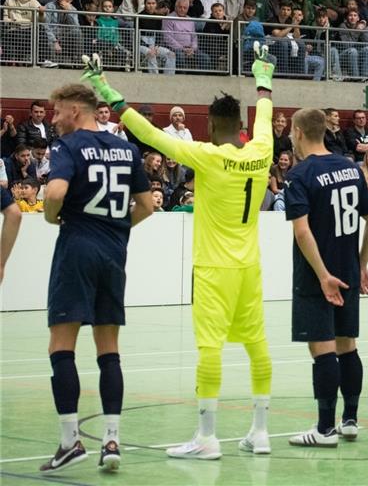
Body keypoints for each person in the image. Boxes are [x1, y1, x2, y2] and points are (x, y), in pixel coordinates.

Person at [84, 46, 277, 457]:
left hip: (213, 268)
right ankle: (260, 432)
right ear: (240, 125)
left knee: (210, 348)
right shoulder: (262, 151)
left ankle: (207, 438)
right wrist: (263, 78)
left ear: (208, 125)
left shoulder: (205, 155)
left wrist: (105, 88)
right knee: (257, 343)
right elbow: (265, 112)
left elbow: (149, 134)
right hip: (250, 266)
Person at [38, 83, 154, 474]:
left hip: (76, 249)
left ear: (74, 110)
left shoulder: (66, 148)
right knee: (109, 349)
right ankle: (111, 439)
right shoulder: (126, 147)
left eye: (56, 113)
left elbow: (54, 192)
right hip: (113, 254)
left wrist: (51, 217)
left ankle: (70, 442)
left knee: (61, 345)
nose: (53, 120)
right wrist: (118, 227)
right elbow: (147, 206)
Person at [284, 108, 368, 447]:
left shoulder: (299, 175)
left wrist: (323, 274)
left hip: (317, 277)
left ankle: (324, 428)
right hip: (349, 270)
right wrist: (362, 263)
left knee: (322, 349)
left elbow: (302, 232)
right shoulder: (349, 168)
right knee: (348, 347)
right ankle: (350, 419)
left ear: (297, 132)